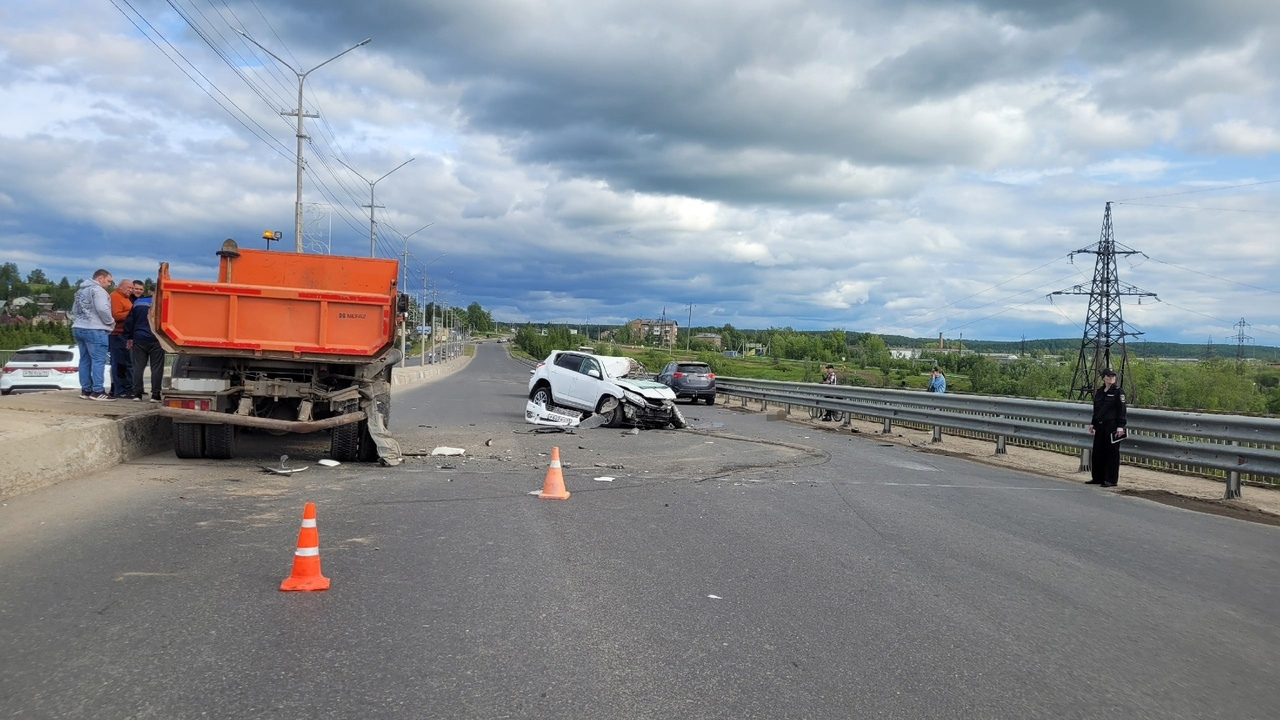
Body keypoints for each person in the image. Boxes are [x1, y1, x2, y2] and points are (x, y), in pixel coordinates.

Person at [70, 269, 116, 401]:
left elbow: (74, 309)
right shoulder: (98, 291)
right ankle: (98, 391)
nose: (109, 284)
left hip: (79, 326)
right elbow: (102, 308)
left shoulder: (79, 291)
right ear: (100, 278)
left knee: (84, 359)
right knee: (98, 360)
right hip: (95, 328)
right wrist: (110, 322)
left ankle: (86, 390)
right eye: (108, 281)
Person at [1087, 368, 1128, 487]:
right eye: (1109, 376)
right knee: (1098, 451)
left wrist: (1121, 426)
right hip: (1100, 425)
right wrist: (1092, 423)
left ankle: (1111, 479)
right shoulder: (1100, 392)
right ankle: (1098, 477)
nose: (1111, 378)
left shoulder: (1118, 392)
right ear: (1103, 377)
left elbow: (1122, 410)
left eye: (1113, 376)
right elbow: (1097, 410)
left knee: (1112, 452)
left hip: (1113, 425)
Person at [124, 281, 164, 402]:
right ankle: (155, 395)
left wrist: (129, 337)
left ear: (150, 291)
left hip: (139, 339)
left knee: (138, 367)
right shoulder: (162, 304)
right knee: (156, 368)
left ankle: (137, 394)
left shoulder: (138, 302)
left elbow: (129, 321)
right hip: (157, 340)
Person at [108, 278, 135, 397]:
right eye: (129, 287)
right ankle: (120, 390)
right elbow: (116, 315)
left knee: (128, 363)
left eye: (132, 288)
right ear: (120, 287)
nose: (131, 290)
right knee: (119, 363)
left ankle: (127, 388)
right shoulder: (115, 297)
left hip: (125, 334)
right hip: (117, 334)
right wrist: (133, 313)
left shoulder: (125, 298)